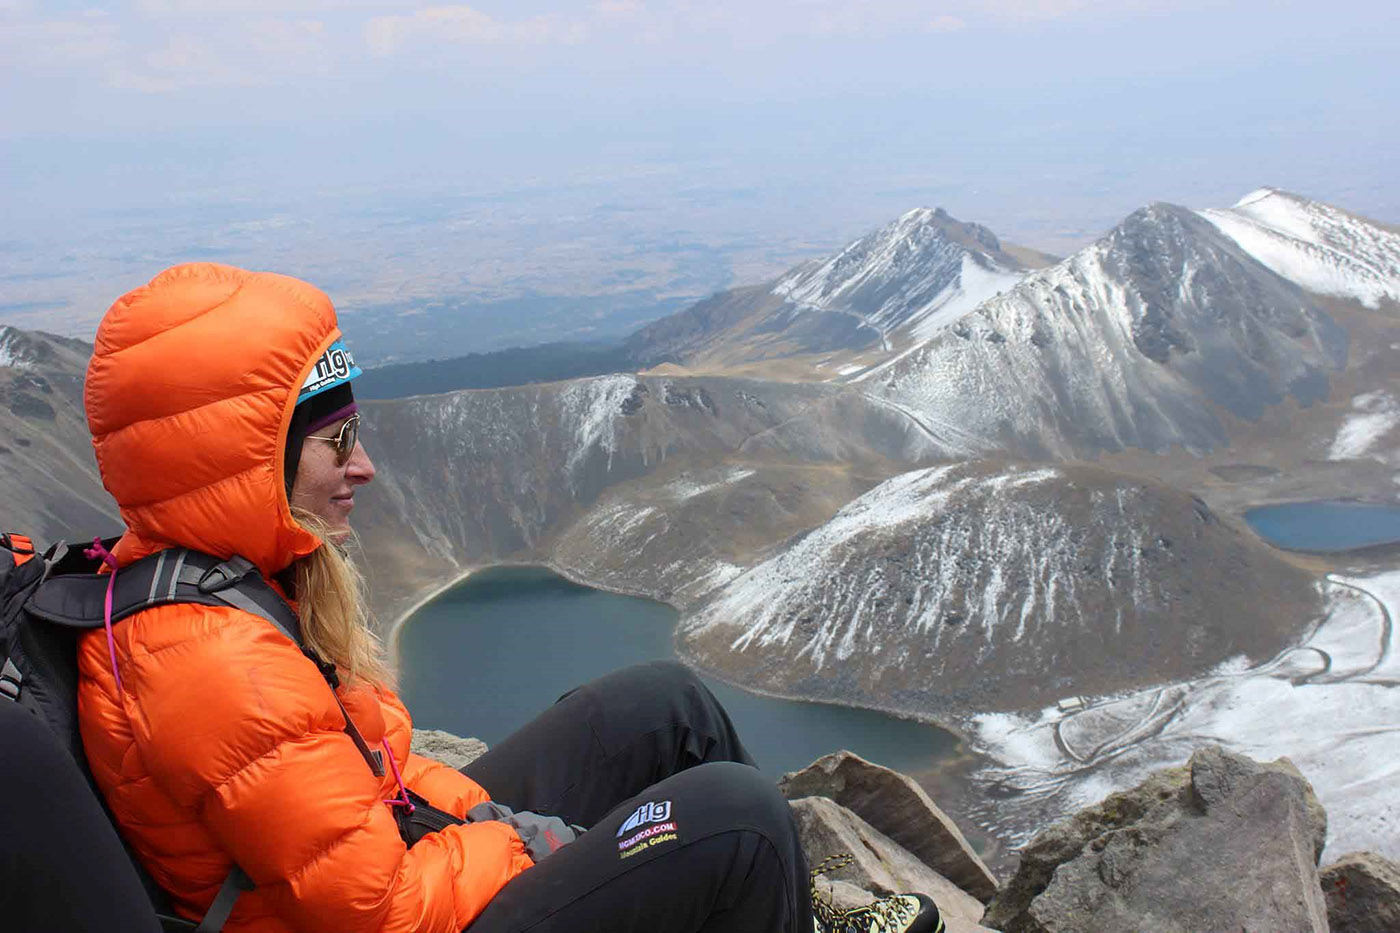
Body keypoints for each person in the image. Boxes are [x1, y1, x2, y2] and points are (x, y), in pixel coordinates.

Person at [75, 262, 942, 933]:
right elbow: (384, 914)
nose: (363, 466)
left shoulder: (226, 582)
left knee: (660, 704)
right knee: (736, 816)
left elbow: (373, 785)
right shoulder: (220, 664)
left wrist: (488, 820)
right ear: (248, 465)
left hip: (399, 862)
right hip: (398, 914)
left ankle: (777, 898)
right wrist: (521, 841)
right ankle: (757, 878)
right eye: (337, 443)